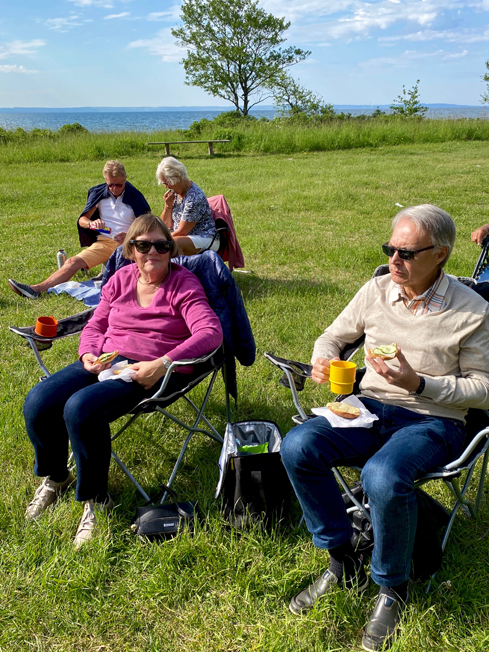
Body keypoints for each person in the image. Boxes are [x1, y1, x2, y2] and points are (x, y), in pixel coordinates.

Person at [281, 205, 489, 651]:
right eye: (390, 249)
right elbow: (333, 336)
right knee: (298, 446)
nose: (395, 260)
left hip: (434, 419)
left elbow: (484, 389)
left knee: (382, 475)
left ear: (441, 254)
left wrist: (420, 383)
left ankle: (391, 587)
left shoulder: (472, 310)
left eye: (407, 253)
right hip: (368, 408)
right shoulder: (376, 290)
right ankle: (341, 560)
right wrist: (323, 357)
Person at [22, 213, 223, 548]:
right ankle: (57, 477)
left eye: (161, 245)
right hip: (107, 360)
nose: (152, 252)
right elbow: (96, 325)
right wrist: (88, 353)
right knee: (39, 401)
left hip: (150, 371)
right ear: (131, 249)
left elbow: (210, 332)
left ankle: (97, 499)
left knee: (81, 408)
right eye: (143, 245)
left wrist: (161, 363)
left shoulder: (183, 284)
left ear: (171, 250)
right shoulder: (120, 279)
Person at [8, 160, 150, 299]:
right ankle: (36, 290)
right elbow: (82, 220)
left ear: (125, 179)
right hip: (105, 242)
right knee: (72, 262)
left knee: (125, 281)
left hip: (129, 245)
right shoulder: (99, 193)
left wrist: (130, 235)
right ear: (105, 180)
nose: (114, 189)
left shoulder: (135, 196)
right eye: (110, 185)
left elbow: (148, 225)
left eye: (119, 185)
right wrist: (92, 224)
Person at [156, 156, 218, 256]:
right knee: (171, 242)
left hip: (205, 237)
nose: (166, 186)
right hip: (185, 237)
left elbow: (182, 232)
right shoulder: (176, 194)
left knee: (175, 243)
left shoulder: (194, 197)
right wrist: (168, 206)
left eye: (167, 183)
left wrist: (159, 240)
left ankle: (181, 266)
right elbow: (165, 225)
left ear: (177, 178)